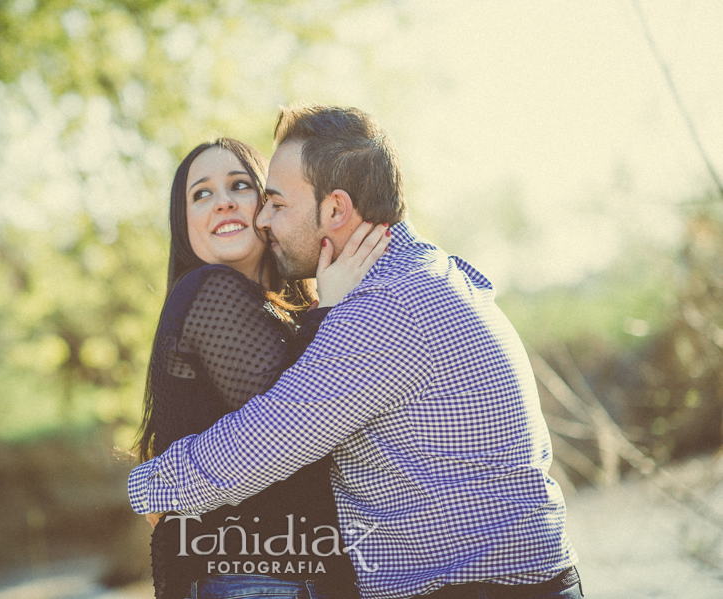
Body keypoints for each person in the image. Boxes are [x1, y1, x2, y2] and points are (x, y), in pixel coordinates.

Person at [129, 105, 582, 599]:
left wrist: (148, 486)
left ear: (336, 210)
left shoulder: (380, 311)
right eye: (203, 194)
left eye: (273, 202)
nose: (260, 217)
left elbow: (260, 444)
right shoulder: (430, 274)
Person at [136, 137, 390, 599]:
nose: (224, 202)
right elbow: (294, 418)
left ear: (269, 207)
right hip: (251, 579)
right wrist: (331, 311)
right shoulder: (210, 290)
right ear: (185, 223)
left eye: (240, 186)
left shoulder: (279, 312)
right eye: (202, 194)